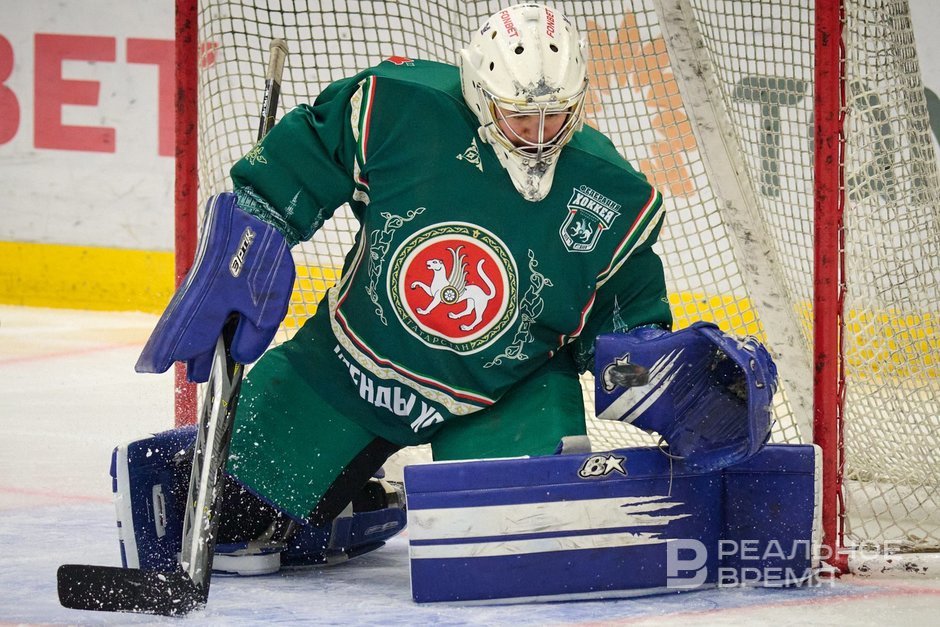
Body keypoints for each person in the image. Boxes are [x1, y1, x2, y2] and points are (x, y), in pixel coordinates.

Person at [124, 3, 773, 572]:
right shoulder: (399, 108)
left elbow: (620, 334)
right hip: (347, 368)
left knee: (521, 547)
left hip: (503, 396)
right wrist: (258, 223)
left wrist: (658, 375)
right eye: (520, 117)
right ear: (480, 95)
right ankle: (353, 506)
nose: (539, 136)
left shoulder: (610, 195)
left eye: (556, 117)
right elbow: (314, 151)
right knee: (230, 519)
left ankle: (369, 499)